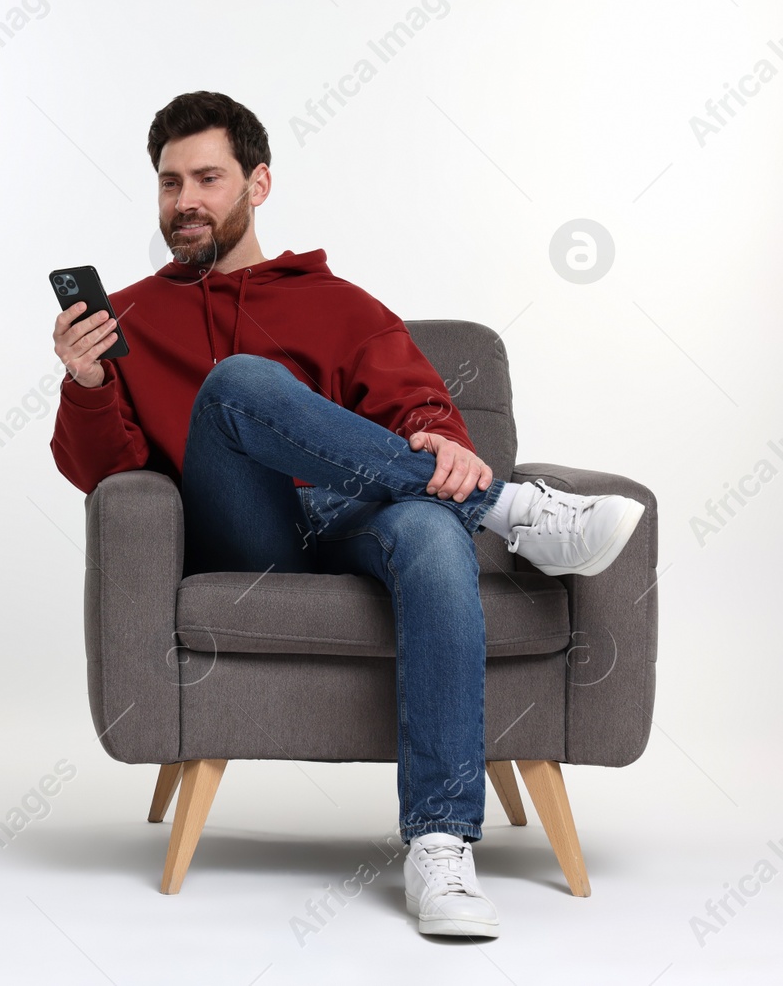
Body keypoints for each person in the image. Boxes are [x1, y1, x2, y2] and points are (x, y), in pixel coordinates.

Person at [48, 90, 645, 939]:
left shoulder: (335, 302)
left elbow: (419, 405)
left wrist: (443, 442)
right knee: (238, 385)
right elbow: (107, 476)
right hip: (245, 531)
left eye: (208, 177)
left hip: (355, 517)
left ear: (257, 184)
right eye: (171, 181)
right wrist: (90, 383)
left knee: (435, 529)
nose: (186, 200)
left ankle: (440, 841)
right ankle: (509, 511)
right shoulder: (131, 317)